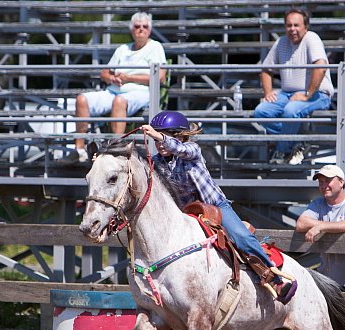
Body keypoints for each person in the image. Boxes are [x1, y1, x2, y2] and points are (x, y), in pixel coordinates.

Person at [140, 111, 297, 304]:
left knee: (242, 237)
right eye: (157, 139)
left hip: (215, 207)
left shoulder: (192, 150)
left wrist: (158, 135)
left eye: (166, 136)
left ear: (181, 136)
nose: (160, 144)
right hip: (186, 215)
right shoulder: (156, 163)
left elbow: (182, 150)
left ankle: (274, 279)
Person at [61, 12, 167, 164]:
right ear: (132, 29)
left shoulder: (155, 47)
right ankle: (79, 150)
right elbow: (104, 72)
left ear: (149, 30)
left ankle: (116, 150)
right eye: (137, 26)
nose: (141, 29)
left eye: (145, 26)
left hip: (141, 91)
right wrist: (112, 78)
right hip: (114, 89)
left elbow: (160, 76)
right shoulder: (123, 49)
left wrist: (129, 78)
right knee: (82, 99)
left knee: (119, 101)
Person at [253, 8, 334, 166]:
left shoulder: (312, 38)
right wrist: (268, 92)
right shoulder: (281, 42)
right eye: (289, 25)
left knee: (291, 110)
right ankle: (296, 141)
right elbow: (266, 70)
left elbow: (321, 67)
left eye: (296, 25)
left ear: (306, 26)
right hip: (287, 93)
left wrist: (307, 94)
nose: (292, 29)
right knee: (261, 111)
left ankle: (283, 151)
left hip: (318, 94)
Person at [295, 164, 345, 324]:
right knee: (326, 328)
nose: (324, 186)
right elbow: (301, 223)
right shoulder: (318, 204)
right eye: (321, 182)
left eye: (328, 180)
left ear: (341, 182)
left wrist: (321, 226)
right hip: (327, 280)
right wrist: (322, 226)